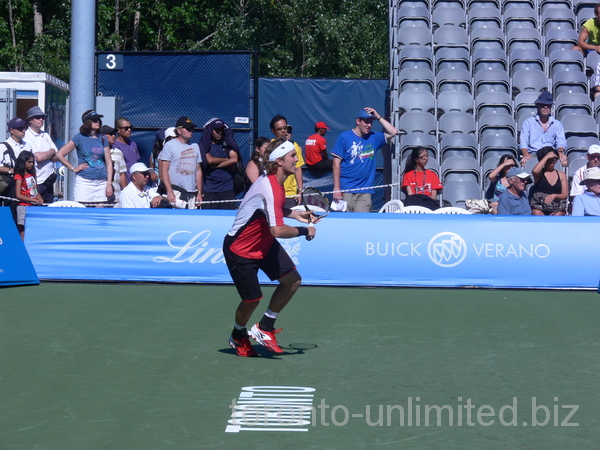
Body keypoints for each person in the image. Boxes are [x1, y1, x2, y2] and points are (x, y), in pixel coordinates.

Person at [223, 138, 316, 357]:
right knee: (252, 299)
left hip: (263, 244)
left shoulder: (275, 183)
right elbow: (278, 231)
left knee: (292, 280)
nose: (296, 159)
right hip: (240, 249)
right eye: (292, 156)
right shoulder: (270, 186)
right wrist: (305, 231)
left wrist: (295, 214)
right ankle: (238, 335)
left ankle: (264, 328)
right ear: (279, 161)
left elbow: (273, 207)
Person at [332, 107, 397, 212]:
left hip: (365, 190)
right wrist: (337, 188)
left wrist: (378, 116)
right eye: (366, 122)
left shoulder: (374, 137)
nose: (369, 125)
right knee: (345, 222)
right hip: (346, 189)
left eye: (371, 122)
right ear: (358, 121)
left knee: (360, 222)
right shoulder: (344, 137)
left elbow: (393, 132)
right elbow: (336, 163)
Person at [56, 110, 114, 206]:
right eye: (94, 120)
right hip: (84, 181)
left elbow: (109, 162)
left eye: (98, 120)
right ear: (87, 122)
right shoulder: (79, 137)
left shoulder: (103, 138)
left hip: (101, 181)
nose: (98, 122)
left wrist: (108, 184)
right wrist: (73, 168)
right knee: (82, 208)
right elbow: (60, 154)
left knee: (100, 210)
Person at [157, 116, 203, 207]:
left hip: (192, 193)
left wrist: (199, 192)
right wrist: (170, 191)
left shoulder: (195, 146)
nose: (191, 131)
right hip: (175, 192)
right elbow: (164, 170)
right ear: (179, 130)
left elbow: (198, 171)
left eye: (192, 129)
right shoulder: (169, 145)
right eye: (188, 129)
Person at [199, 118, 239, 210]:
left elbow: (234, 159)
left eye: (221, 129)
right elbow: (209, 160)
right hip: (209, 188)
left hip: (227, 188)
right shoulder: (205, 146)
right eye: (216, 130)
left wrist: (216, 165)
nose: (219, 132)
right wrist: (226, 160)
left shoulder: (227, 144)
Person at [519, 91, 567, 167]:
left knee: (564, 162)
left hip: (551, 153)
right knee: (524, 163)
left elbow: (561, 141)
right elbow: (523, 142)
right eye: (543, 105)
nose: (545, 107)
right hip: (534, 154)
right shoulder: (528, 122)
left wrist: (560, 152)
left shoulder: (557, 124)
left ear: (551, 107)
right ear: (538, 106)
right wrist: (526, 155)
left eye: (548, 105)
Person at [25, 106, 58, 204]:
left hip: (49, 180)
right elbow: (38, 158)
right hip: (36, 181)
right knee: (36, 206)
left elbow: (56, 156)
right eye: (38, 117)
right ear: (30, 120)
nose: (41, 119)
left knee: (49, 207)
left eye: (42, 117)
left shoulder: (45, 135)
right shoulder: (27, 136)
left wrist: (47, 155)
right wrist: (51, 152)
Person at [270, 114, 304, 208]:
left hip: (290, 195)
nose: (284, 130)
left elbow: (298, 168)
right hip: (273, 193)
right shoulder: (269, 146)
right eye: (280, 128)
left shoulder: (294, 146)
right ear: (273, 131)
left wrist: (300, 190)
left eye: (285, 127)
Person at [530, 146, 569, 216]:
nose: (553, 161)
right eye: (550, 159)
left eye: (554, 159)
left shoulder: (562, 175)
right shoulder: (539, 174)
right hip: (540, 205)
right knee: (537, 213)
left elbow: (565, 194)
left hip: (557, 206)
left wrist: (554, 196)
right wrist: (547, 156)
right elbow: (535, 171)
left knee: (558, 215)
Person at [1, 117, 32, 203]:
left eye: (24, 128)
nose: (24, 130)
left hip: (27, 184)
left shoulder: (28, 146)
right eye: (20, 128)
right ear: (12, 130)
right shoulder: (3, 147)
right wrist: (13, 171)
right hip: (11, 186)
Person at [13, 151, 43, 239]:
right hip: (23, 206)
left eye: (32, 162)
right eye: (29, 162)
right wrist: (33, 200)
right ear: (23, 162)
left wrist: (39, 197)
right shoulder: (19, 176)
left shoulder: (32, 174)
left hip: (33, 206)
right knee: (23, 230)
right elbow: (18, 195)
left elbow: (34, 189)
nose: (31, 164)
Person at [101, 124, 127, 203]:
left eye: (114, 134)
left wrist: (125, 192)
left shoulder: (118, 152)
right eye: (110, 134)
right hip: (99, 196)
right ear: (102, 136)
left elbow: (122, 174)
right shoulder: (95, 152)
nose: (113, 136)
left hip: (115, 197)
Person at [113, 117, 140, 181]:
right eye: (126, 128)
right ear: (118, 130)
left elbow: (136, 163)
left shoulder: (133, 144)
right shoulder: (115, 146)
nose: (129, 130)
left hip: (134, 183)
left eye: (130, 127)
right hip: (122, 184)